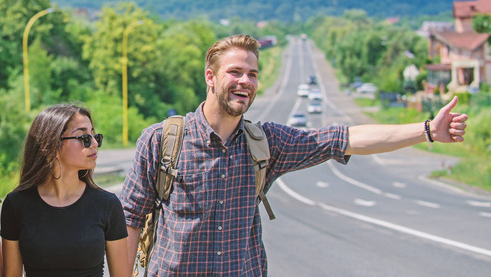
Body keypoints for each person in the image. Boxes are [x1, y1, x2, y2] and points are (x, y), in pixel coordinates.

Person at [120, 34, 468, 276]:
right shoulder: (162, 140)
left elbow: (344, 139)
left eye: (253, 74)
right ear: (210, 77)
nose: (245, 81)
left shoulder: (267, 143)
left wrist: (426, 131)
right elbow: (130, 220)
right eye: (235, 72)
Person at [1, 104, 130, 277]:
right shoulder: (16, 204)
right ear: (53, 142)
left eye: (94, 135)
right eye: (84, 136)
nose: (94, 143)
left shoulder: (108, 204)